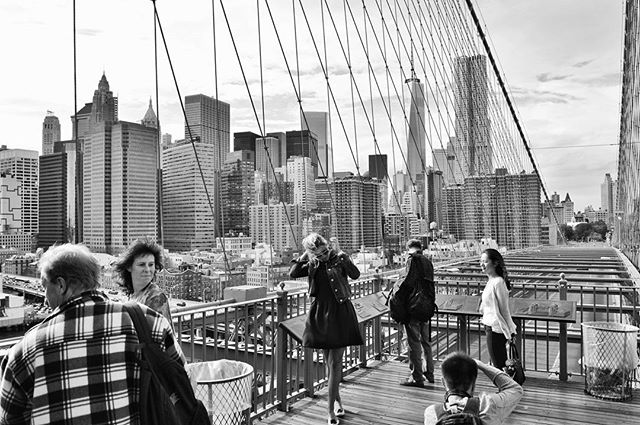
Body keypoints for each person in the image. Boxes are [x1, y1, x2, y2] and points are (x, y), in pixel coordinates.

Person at [0, 243, 185, 424]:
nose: (45, 297)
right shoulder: (151, 322)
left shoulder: (24, 352)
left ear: (61, 285)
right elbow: (180, 378)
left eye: (44, 286)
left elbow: (9, 417)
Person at [289, 233, 363, 425]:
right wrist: (306, 255)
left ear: (327, 246)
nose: (322, 257)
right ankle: (337, 401)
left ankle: (330, 411)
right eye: (318, 254)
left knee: (335, 364)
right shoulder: (312, 264)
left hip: (340, 312)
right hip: (320, 315)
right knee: (329, 363)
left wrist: (346, 258)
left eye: (323, 252)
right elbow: (293, 273)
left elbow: (355, 275)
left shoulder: (339, 259)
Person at [424, 352, 523, 424]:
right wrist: (482, 366)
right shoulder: (488, 405)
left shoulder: (432, 413)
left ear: (443, 383)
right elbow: (515, 389)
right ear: (474, 383)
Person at [400, 239, 436, 387]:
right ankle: (430, 373)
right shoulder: (428, 262)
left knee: (413, 342)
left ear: (408, 248)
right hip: (426, 306)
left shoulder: (411, 260)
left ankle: (416, 377)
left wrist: (398, 297)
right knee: (426, 341)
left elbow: (407, 282)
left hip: (414, 307)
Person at [114, 238, 172, 323]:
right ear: (129, 267)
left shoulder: (156, 297)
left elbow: (161, 333)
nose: (147, 269)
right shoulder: (133, 295)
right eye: (142, 265)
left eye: (151, 264)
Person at [479, 248, 516, 370]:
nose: (482, 265)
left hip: (495, 329)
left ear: (495, 263)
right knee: (498, 364)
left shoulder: (498, 282)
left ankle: (506, 388)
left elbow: (504, 309)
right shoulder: (491, 281)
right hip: (489, 326)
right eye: (481, 261)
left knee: (498, 366)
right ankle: (506, 388)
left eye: (485, 261)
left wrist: (510, 331)